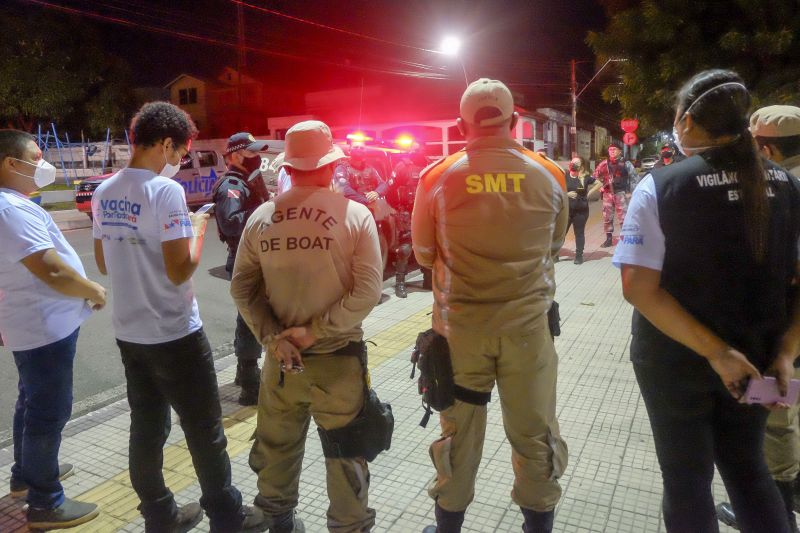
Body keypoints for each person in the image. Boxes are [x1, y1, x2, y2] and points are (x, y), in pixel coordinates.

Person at [613, 70, 800, 533]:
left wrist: (718, 354)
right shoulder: (786, 184)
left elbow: (639, 287)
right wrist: (787, 354)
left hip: (676, 362)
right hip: (760, 360)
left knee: (687, 480)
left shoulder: (662, 186)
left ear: (689, 122)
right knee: (749, 469)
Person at [92, 102, 268, 532]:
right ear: (165, 144)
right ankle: (226, 516)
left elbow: (101, 262)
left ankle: (160, 515)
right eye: (180, 152)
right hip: (174, 332)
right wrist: (197, 229)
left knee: (147, 428)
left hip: (130, 333)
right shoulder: (164, 191)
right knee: (204, 429)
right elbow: (179, 270)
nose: (181, 161)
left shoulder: (103, 190)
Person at [412, 79, 569, 533]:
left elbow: (424, 253)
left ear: (462, 125)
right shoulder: (549, 174)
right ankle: (538, 526)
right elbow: (554, 245)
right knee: (534, 431)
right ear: (515, 121)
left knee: (459, 433)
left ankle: (449, 527)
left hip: (460, 333)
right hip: (528, 332)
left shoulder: (437, 176)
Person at [232, 120, 384, 533]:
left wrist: (272, 338)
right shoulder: (355, 215)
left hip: (282, 364)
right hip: (338, 363)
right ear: (331, 164)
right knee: (345, 454)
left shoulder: (262, 217)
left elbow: (243, 289)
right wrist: (317, 330)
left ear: (290, 166)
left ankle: (281, 523)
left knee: (276, 452)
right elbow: (368, 292)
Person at [0, 129, 104, 530]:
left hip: (37, 324)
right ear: (11, 163)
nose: (44, 165)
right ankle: (46, 501)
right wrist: (92, 289)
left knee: (32, 402)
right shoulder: (10, 209)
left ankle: (27, 476)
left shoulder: (13, 204)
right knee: (48, 410)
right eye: (36, 156)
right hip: (43, 327)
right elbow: (51, 268)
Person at [715, 104, 800, 531]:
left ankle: (778, 513)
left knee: (778, 420)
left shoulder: (785, 189)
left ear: (768, 149)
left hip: (785, 328)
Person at [212, 132, 270, 406]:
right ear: (235, 155)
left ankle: (242, 373)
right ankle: (249, 385)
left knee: (247, 317)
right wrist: (265, 211)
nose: (256, 157)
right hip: (244, 260)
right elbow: (231, 223)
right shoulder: (231, 186)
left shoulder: (247, 182)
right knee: (251, 320)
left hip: (255, 258)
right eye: (250, 153)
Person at [387, 151, 425, 298]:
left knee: (426, 244)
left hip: (424, 210)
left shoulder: (428, 164)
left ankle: (428, 278)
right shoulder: (402, 167)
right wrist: (398, 207)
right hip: (406, 212)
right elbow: (390, 189)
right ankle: (400, 283)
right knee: (405, 248)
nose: (415, 151)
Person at [593, 142, 637, 247]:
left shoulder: (626, 163)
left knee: (624, 218)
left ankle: (625, 239)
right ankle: (609, 239)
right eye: (610, 150)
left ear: (620, 151)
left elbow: (634, 178)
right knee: (607, 217)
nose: (612, 151)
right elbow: (594, 176)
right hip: (607, 194)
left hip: (621, 193)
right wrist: (601, 185)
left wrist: (631, 192)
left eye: (614, 149)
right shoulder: (604, 163)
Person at [565, 157, 595, 265]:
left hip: (581, 211)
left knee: (579, 233)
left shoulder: (584, 177)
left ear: (581, 166)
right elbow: (557, 188)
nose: (573, 164)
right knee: (561, 233)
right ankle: (554, 254)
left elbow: (599, 184)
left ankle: (578, 256)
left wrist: (588, 194)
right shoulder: (564, 175)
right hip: (566, 211)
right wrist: (566, 194)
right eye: (572, 161)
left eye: (576, 163)